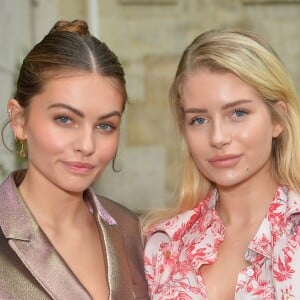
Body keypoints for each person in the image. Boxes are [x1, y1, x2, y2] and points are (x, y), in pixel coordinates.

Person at [143, 29, 300, 299]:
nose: (217, 138)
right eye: (199, 120)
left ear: (278, 120)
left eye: (238, 113)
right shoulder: (163, 243)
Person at [0, 19, 148, 300]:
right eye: (65, 119)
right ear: (19, 120)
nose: (87, 145)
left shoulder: (132, 231)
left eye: (105, 125)